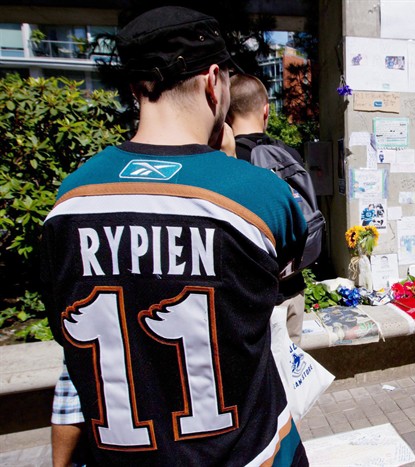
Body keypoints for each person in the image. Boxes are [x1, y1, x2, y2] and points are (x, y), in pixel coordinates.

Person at [42, 7, 308, 466]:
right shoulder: (260, 197)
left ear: (134, 88)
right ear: (213, 82)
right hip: (248, 454)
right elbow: (282, 267)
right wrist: (226, 163)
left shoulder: (70, 200)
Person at [227, 73, 320, 346]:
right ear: (266, 110)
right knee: (292, 377)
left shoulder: (227, 160)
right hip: (292, 287)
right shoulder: (288, 154)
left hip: (250, 296)